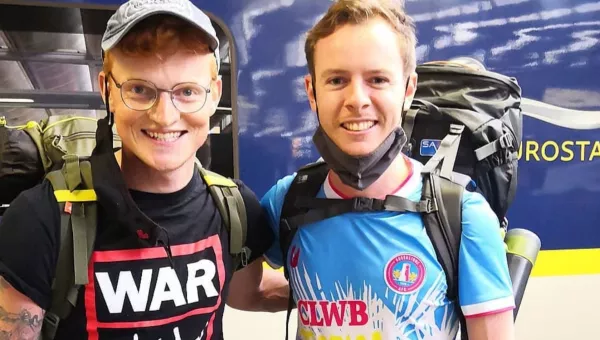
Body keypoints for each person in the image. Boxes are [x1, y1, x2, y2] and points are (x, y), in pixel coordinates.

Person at [0, 1, 288, 339]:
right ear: (107, 90)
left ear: (214, 96)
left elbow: (247, 293)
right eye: (139, 89)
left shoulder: (236, 209)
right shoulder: (43, 218)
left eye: (187, 92)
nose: (164, 116)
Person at [261, 0, 516, 339]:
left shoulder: (462, 218)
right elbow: (243, 289)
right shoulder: (287, 200)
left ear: (409, 89)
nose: (357, 99)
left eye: (378, 79)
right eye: (337, 80)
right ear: (312, 92)